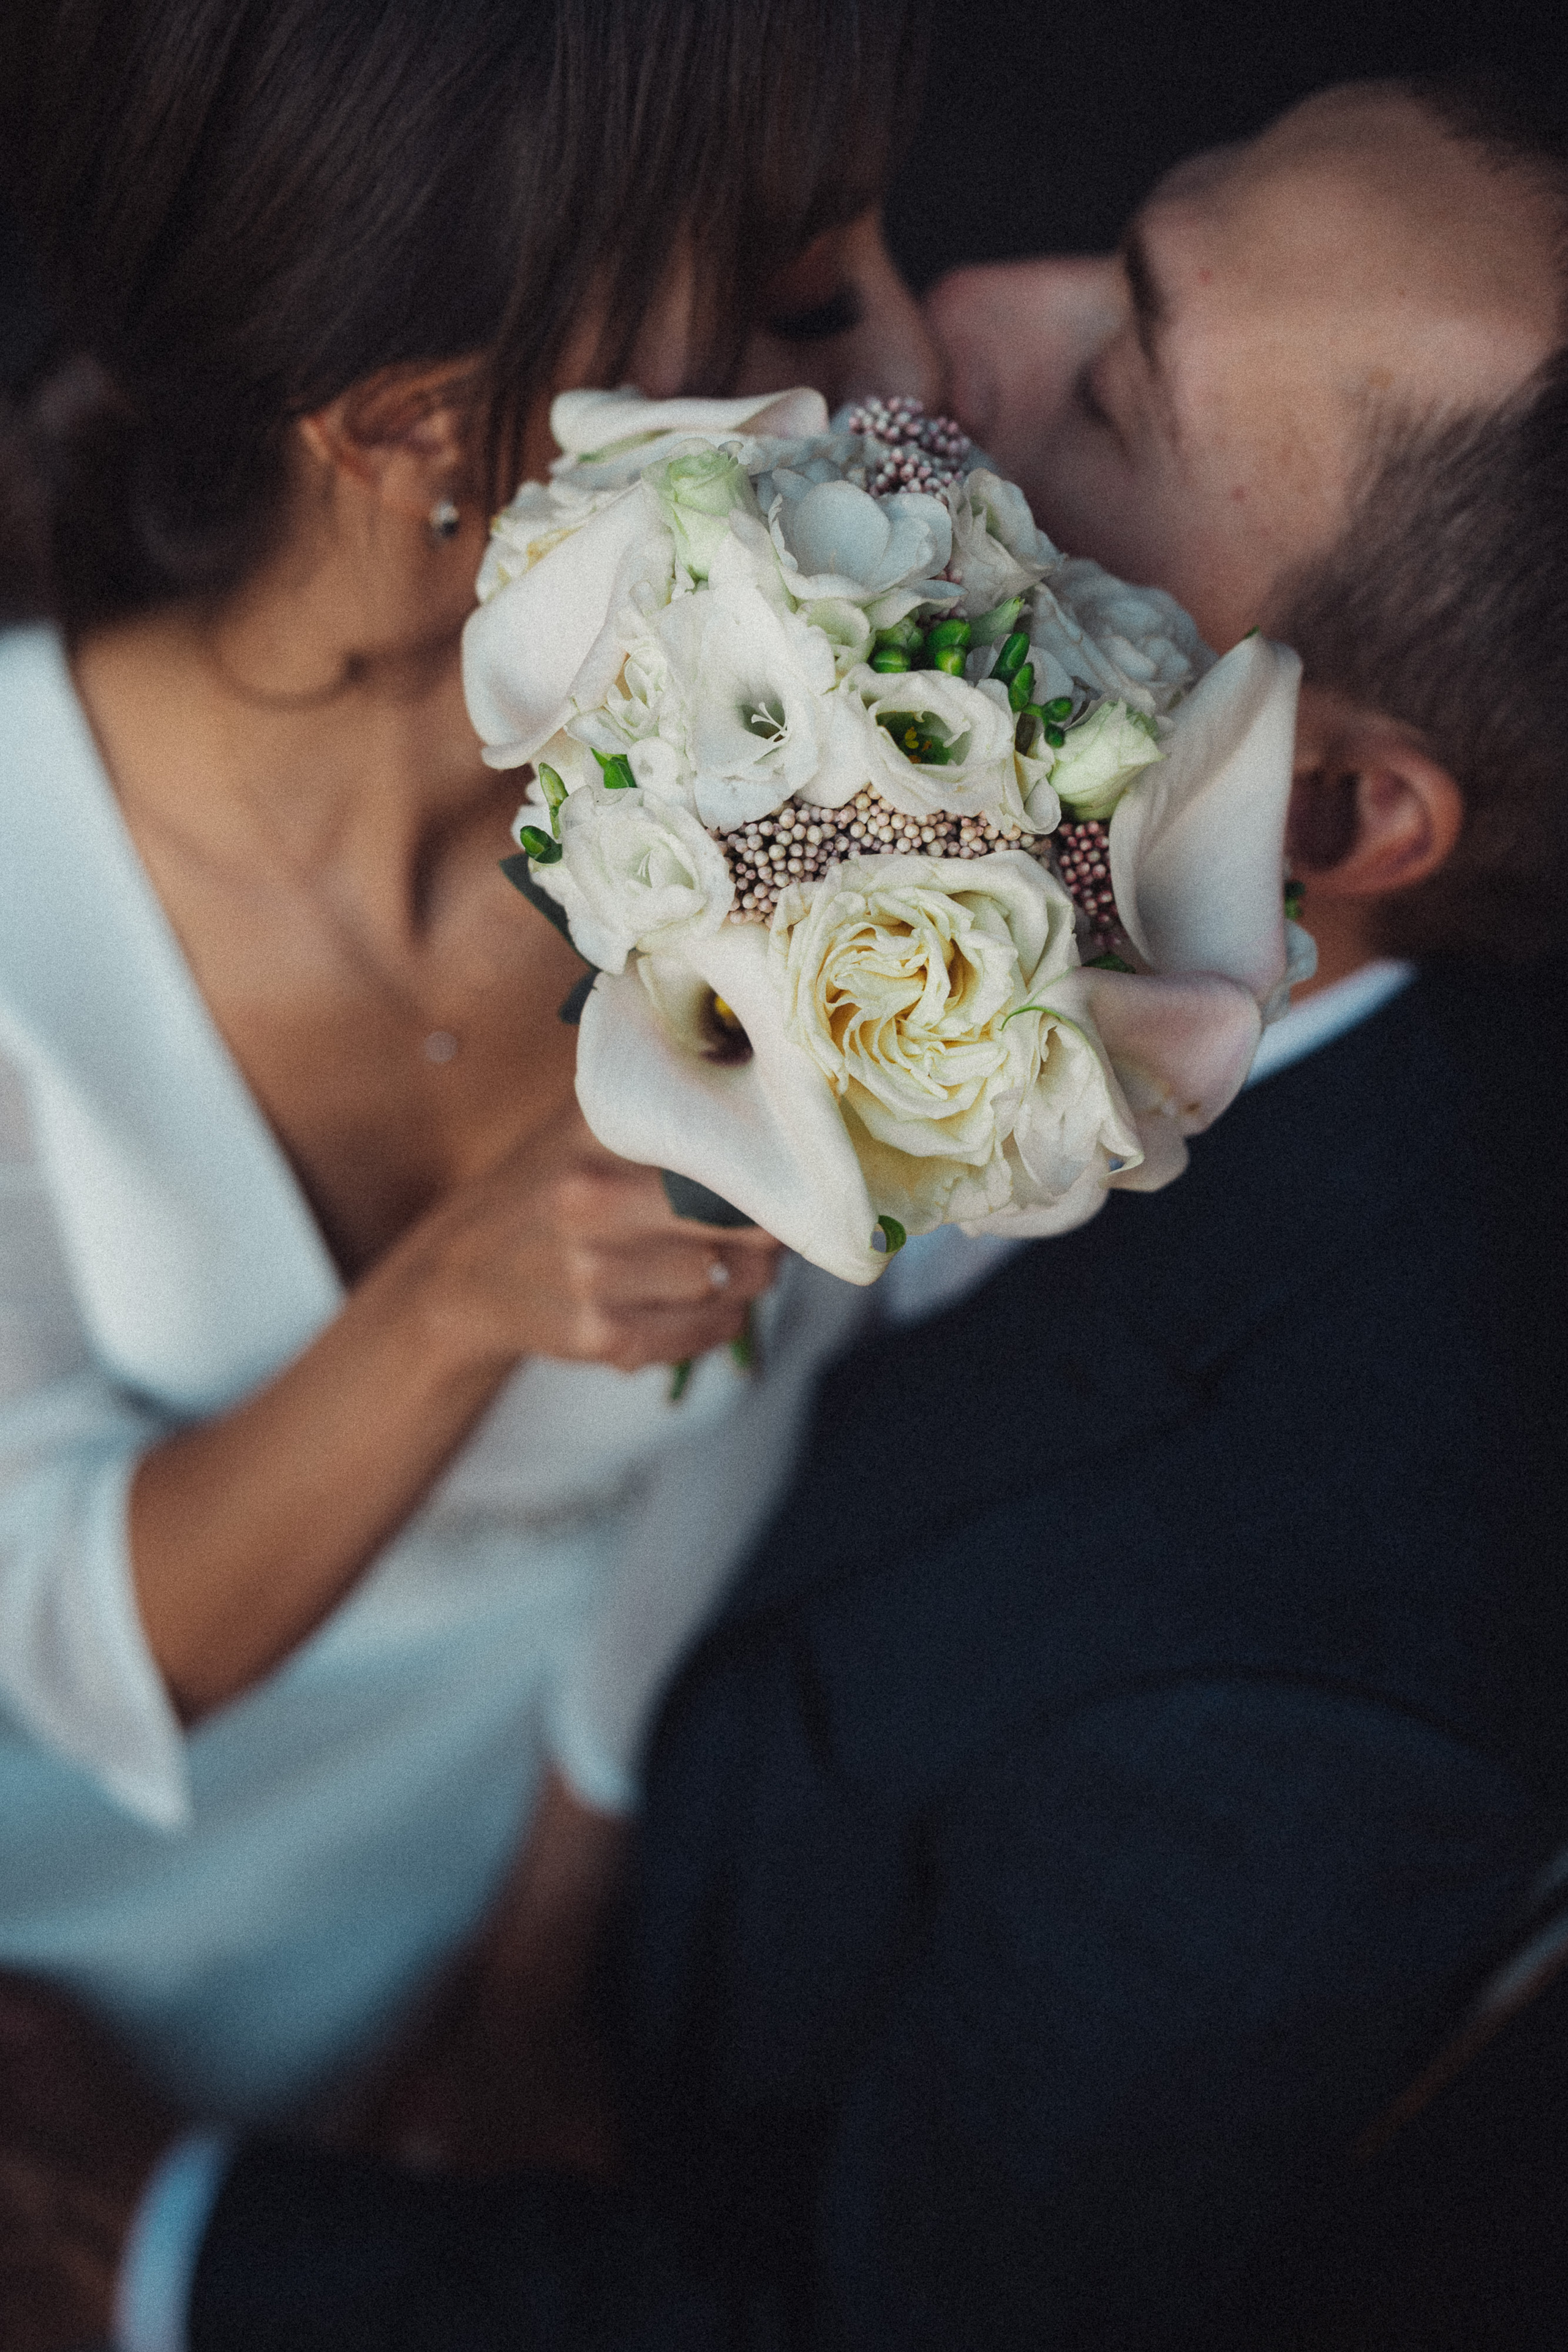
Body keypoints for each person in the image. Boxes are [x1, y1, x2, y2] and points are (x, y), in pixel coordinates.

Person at [9, 70, 1568, 2352]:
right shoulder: (788, 759)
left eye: (1118, 370)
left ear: (1332, 801)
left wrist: (236, 2206)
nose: (953, 327)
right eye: (1117, 230)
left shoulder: (1335, 1654)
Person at [0, 0, 946, 2150]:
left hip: (576, 1919)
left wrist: (542, 1962)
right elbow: (63, 1630)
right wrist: (456, 1295)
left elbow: (776, 1420)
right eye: (805, 300)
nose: (920, 367)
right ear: (428, 424)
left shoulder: (841, 766)